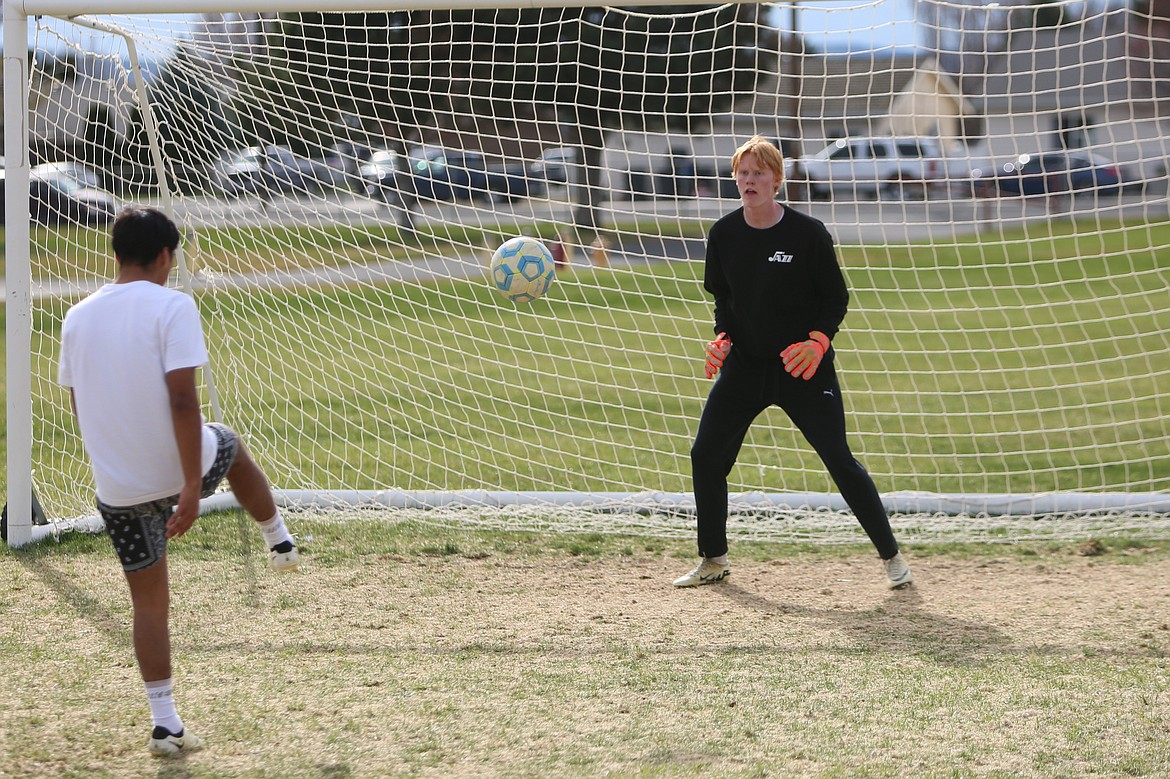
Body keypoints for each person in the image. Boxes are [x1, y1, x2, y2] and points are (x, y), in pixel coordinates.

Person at [58, 206, 301, 757]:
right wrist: (191, 487)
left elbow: (79, 402)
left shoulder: (76, 316)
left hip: (118, 488)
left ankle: (164, 723)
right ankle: (278, 537)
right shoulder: (174, 305)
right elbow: (183, 398)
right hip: (174, 471)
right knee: (232, 445)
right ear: (167, 255)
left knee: (149, 604)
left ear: (116, 254)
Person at [674, 136, 912, 591]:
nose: (749, 180)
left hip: (803, 369)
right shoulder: (723, 234)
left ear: (776, 181)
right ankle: (713, 559)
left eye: (758, 173)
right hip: (745, 367)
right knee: (706, 455)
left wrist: (819, 341)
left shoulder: (807, 233)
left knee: (839, 459)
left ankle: (892, 557)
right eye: (743, 173)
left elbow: (835, 298)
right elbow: (724, 298)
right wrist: (721, 339)